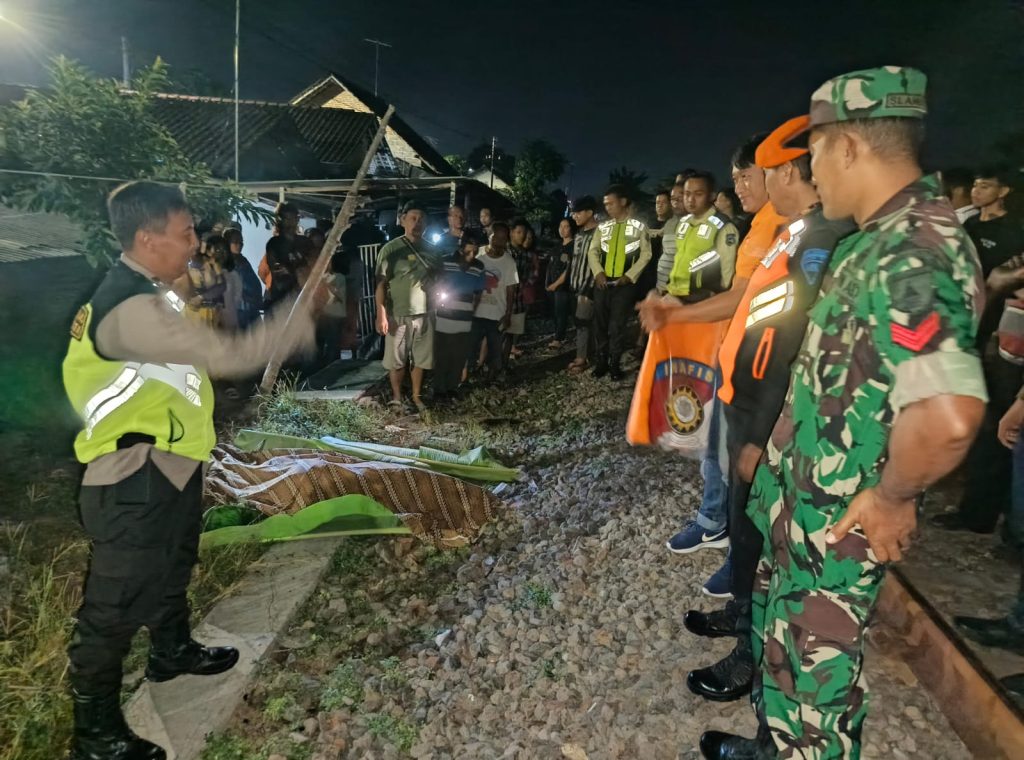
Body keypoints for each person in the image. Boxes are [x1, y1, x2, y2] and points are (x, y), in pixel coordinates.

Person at [698, 67, 988, 760]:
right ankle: (773, 746)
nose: (811, 172)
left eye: (818, 152)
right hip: (801, 503)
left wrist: (893, 497)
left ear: (850, 145)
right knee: (783, 646)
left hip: (838, 519)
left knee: (817, 685)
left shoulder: (917, 249)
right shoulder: (873, 240)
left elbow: (949, 413)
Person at [61, 181, 314, 760]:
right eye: (185, 232)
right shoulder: (130, 308)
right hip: (132, 473)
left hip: (167, 463)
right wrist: (295, 320)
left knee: (173, 563)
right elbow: (228, 358)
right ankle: (94, 731)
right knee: (114, 603)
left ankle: (171, 650)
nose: (196, 242)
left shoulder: (149, 293)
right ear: (148, 239)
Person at [671, 116, 855, 708]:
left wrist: (763, 430)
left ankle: (751, 655)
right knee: (741, 522)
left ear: (785, 171)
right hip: (743, 399)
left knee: (756, 531)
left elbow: (791, 344)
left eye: (761, 172)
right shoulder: (794, 230)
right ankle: (741, 616)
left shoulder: (825, 236)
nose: (753, 183)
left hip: (765, 413)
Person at [651, 133, 785, 598]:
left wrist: (678, 313)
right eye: (735, 178)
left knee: (741, 464)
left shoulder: (779, 228)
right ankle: (715, 523)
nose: (740, 187)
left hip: (756, 368)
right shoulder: (761, 223)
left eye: (745, 177)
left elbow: (737, 294)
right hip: (732, 355)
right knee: (715, 448)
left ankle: (743, 562)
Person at [934, 168, 1024, 534]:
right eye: (975, 184)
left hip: (999, 341)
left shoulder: (1014, 232)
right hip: (965, 331)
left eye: (986, 185)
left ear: (1004, 191)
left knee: (995, 426)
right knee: (975, 422)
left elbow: (1007, 286)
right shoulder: (969, 228)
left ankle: (984, 514)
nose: (976, 190)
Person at [374, 201, 442, 411]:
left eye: (421, 218)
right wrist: (381, 314)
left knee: (421, 359)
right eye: (413, 217)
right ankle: (397, 396)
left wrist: (436, 286)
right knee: (397, 360)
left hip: (426, 312)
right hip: (398, 313)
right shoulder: (390, 249)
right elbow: (380, 284)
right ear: (402, 220)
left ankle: (416, 396)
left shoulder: (433, 251)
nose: (417, 222)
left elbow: (441, 280)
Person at [587, 184, 652, 380]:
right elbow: (593, 251)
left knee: (617, 326)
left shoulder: (639, 227)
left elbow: (646, 254)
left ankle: (614, 364)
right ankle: (601, 363)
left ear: (623, 202)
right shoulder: (603, 228)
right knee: (599, 325)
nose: (607, 208)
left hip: (624, 286)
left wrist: (630, 275)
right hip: (602, 284)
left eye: (611, 203)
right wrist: (598, 272)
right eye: (605, 204)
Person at [666, 171, 739, 302]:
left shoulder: (723, 227)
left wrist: (720, 299)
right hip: (674, 293)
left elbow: (728, 268)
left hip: (702, 297)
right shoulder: (683, 223)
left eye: (698, 194)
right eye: (687, 194)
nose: (690, 200)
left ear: (711, 196)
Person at [432, 230, 486, 400]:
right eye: (469, 251)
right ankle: (439, 390)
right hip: (444, 316)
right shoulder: (446, 261)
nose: (472, 256)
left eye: (475, 252)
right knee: (442, 354)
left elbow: (478, 293)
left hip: (464, 318)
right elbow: (435, 283)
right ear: (461, 248)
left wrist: (471, 311)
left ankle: (452, 388)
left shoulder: (479, 267)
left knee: (459, 355)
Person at [472, 222, 519, 378]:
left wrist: (508, 314)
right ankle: (469, 374)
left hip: (496, 313)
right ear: (489, 236)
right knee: (471, 347)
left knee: (495, 348)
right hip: (476, 311)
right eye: (496, 237)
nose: (499, 242)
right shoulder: (477, 254)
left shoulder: (509, 262)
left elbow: (511, 290)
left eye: (503, 238)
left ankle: (493, 377)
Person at [568, 196, 599, 372]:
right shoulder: (579, 235)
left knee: (583, 323)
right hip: (575, 285)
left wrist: (588, 289)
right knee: (581, 323)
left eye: (578, 212)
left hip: (589, 287)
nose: (574, 216)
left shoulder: (601, 233)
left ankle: (582, 359)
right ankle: (588, 354)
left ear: (589, 212)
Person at [262, 202, 303, 313]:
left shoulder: (305, 242)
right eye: (286, 218)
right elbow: (278, 272)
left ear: (297, 219)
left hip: (304, 299)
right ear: (279, 220)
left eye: (293, 218)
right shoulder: (274, 243)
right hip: (281, 300)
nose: (290, 223)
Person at [182, 233, 227, 328]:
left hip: (209, 314)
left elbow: (221, 286)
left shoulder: (212, 265)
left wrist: (201, 297)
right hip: (190, 314)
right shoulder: (184, 265)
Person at [507, 220, 538, 359]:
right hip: (504, 299)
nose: (521, 236)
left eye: (523, 233)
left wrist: (526, 284)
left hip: (518, 299)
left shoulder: (525, 254)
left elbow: (531, 273)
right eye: (518, 232)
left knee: (512, 333)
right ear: (511, 233)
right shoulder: (504, 251)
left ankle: (505, 362)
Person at [223, 228, 262, 330]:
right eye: (235, 242)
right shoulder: (224, 263)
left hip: (252, 310)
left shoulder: (243, 261)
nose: (239, 245)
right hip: (237, 313)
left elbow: (253, 282)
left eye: (241, 242)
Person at [546, 217, 576, 347]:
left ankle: (558, 339)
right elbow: (550, 265)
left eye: (566, 226)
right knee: (557, 312)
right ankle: (560, 335)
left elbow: (568, 269)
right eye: (560, 226)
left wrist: (556, 284)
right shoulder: (557, 247)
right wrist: (547, 283)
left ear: (572, 228)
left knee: (562, 312)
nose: (562, 229)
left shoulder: (573, 246)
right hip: (553, 286)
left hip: (564, 287)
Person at [654, 182, 686, 294]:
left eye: (680, 198)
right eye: (673, 199)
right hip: (660, 285)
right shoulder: (670, 223)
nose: (676, 202)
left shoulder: (694, 224)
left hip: (677, 290)